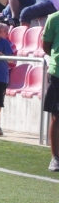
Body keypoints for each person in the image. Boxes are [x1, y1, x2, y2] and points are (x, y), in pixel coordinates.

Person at [42, 11, 59, 171]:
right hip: (57, 74)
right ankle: (55, 158)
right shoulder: (54, 19)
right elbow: (46, 46)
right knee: (57, 117)